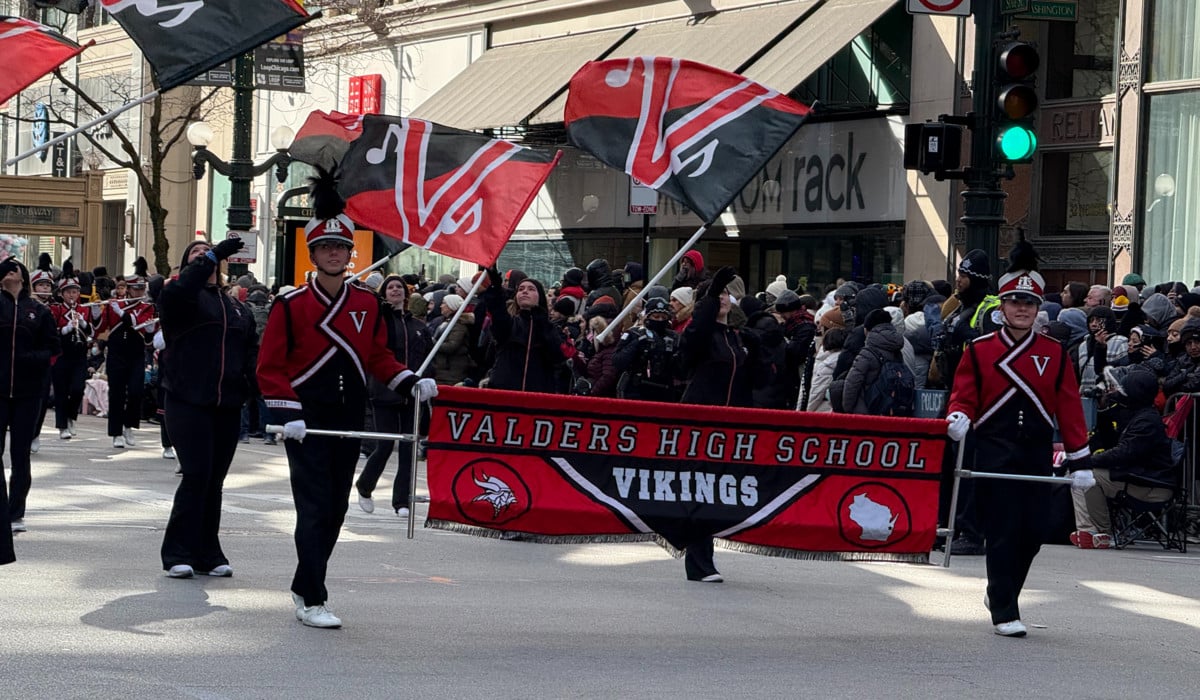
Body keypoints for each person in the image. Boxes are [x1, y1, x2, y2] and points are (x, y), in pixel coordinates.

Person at [257, 174, 437, 629]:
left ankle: (304, 584)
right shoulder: (291, 304)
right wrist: (287, 412)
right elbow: (269, 367)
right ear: (313, 254)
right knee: (314, 506)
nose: (334, 254)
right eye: (325, 248)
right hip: (307, 420)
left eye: (341, 247)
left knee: (336, 507)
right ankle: (313, 597)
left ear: (349, 253)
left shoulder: (367, 303)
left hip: (349, 415)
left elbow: (377, 356)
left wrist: (410, 381)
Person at [945, 243, 1092, 637]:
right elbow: (964, 393)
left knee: (1034, 532)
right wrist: (959, 415)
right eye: (1015, 302)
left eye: (1029, 303)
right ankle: (1005, 609)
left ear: (1037, 307)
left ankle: (1001, 591)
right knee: (1003, 528)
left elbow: (1069, 408)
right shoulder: (980, 349)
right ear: (1003, 306)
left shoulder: (1054, 352)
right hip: (994, 448)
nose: (1022, 309)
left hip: (1035, 451)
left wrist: (1080, 461)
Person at [158, 238, 259, 579]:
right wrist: (213, 255)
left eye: (208, 251)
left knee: (215, 480)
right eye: (196, 253)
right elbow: (184, 287)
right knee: (196, 474)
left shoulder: (237, 307)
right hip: (187, 399)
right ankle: (176, 552)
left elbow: (250, 353)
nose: (203, 255)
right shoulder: (179, 295)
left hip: (226, 403)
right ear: (186, 263)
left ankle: (207, 552)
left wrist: (256, 390)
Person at [676, 266, 749, 583]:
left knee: (722, 491)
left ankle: (708, 554)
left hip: (731, 425)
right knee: (701, 490)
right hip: (701, 424)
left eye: (725, 293)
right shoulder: (701, 334)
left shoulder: (735, 337)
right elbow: (696, 334)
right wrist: (711, 290)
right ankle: (700, 562)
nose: (722, 298)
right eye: (716, 294)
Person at [1071, 366, 1176, 549]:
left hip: (1152, 484)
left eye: (1122, 389)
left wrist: (1087, 461)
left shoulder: (1147, 421)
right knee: (1080, 474)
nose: (1118, 392)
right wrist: (1103, 409)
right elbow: (1110, 440)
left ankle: (1101, 531)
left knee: (1088, 476)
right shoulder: (1135, 414)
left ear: (1134, 392)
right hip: (1139, 477)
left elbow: (1123, 453)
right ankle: (1090, 530)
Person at [356, 275, 434, 518]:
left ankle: (402, 501)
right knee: (385, 445)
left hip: (413, 394)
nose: (395, 290)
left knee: (409, 447)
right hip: (385, 391)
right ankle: (365, 485)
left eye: (399, 287)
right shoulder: (381, 321)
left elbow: (428, 358)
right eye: (390, 287)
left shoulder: (419, 327)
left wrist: (426, 383)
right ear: (384, 293)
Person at [0, 257, 60, 535]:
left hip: (28, 392)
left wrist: (33, 359)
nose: (9, 272)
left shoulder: (38, 310)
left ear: (23, 276)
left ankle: (16, 513)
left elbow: (53, 348)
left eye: (14, 268)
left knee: (20, 453)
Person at [94, 260, 157, 449]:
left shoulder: (146, 307)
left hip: (136, 354)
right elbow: (100, 328)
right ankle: (116, 432)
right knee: (117, 393)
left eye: (141, 289)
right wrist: (96, 313)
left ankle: (129, 425)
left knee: (136, 391)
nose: (139, 292)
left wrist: (121, 313)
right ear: (128, 289)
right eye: (136, 289)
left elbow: (138, 324)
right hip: (116, 353)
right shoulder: (114, 305)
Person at [481, 269, 566, 393]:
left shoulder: (551, 328)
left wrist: (541, 319)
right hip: (504, 393)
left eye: (531, 289)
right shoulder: (510, 324)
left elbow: (558, 356)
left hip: (537, 395)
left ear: (540, 297)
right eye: (520, 289)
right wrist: (496, 288)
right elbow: (498, 312)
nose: (525, 291)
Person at [49, 264, 93, 440]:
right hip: (61, 354)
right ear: (61, 294)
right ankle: (62, 426)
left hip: (79, 355)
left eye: (74, 292)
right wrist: (66, 328)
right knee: (61, 391)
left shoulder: (84, 309)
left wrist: (82, 323)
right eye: (68, 292)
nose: (72, 295)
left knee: (77, 389)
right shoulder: (56, 309)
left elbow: (91, 331)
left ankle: (71, 416)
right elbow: (51, 331)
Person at [613, 296, 680, 403]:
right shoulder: (634, 334)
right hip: (635, 389)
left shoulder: (674, 337)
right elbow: (618, 361)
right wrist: (638, 343)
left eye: (663, 317)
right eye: (656, 317)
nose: (660, 320)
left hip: (664, 390)